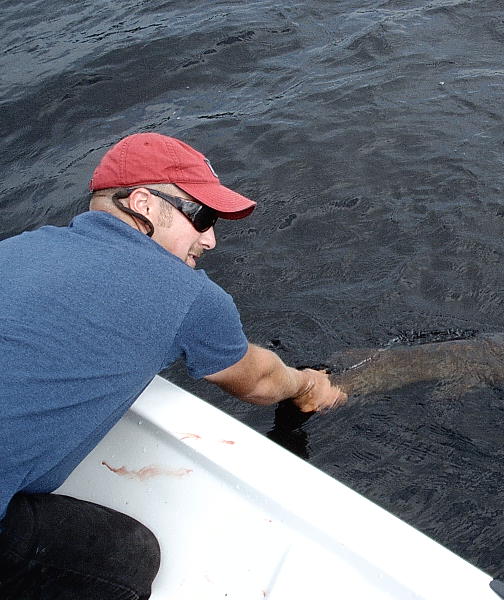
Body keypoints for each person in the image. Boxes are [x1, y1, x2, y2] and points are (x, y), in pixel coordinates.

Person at [0, 132, 345, 599]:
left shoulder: (15, 249)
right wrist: (308, 385)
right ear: (142, 202)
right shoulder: (186, 294)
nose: (211, 239)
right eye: (202, 216)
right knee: (129, 558)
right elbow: (259, 380)